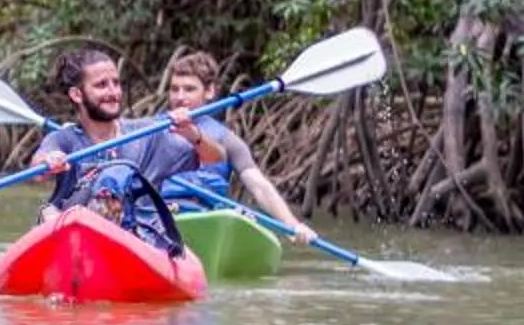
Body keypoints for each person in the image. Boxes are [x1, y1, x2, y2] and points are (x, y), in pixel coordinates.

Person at [32, 45, 218, 231]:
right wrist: (49, 161)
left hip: (138, 235)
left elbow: (214, 158)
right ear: (77, 95)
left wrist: (195, 136)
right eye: (101, 85)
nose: (113, 93)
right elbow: (38, 168)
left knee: (118, 172)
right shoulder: (64, 139)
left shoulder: (149, 134)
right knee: (47, 212)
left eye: (116, 83)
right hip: (76, 234)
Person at [156, 49, 316, 239]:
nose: (179, 97)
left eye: (189, 89)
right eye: (174, 89)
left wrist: (293, 225)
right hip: (161, 215)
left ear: (209, 92)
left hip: (209, 217)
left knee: (243, 216)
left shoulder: (227, 140)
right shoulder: (150, 130)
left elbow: (259, 186)